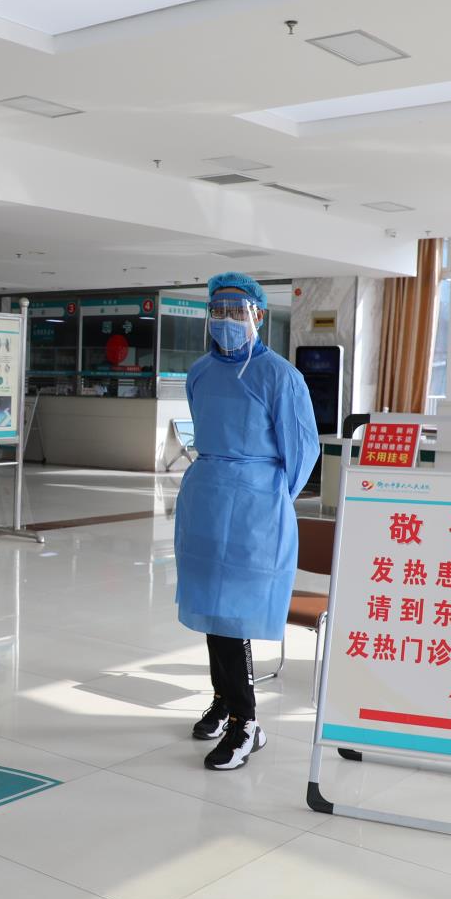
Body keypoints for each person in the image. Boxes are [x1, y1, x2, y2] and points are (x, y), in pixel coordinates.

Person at [174, 272, 319, 770]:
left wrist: (267, 497)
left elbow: (302, 451)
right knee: (212, 612)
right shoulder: (200, 372)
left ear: (258, 315)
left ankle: (246, 722)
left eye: (238, 311)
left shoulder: (280, 376)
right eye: (218, 311)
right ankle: (223, 701)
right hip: (207, 500)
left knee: (234, 615)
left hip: (255, 508)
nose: (227, 320)